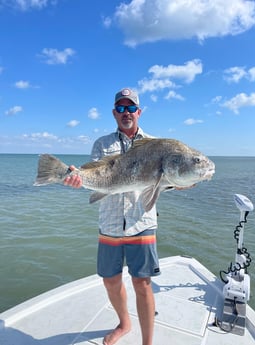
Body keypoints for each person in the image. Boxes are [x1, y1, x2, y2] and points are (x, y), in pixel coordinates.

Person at [64, 88, 160, 345]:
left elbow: (167, 181)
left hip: (142, 221)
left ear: (139, 112)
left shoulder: (155, 145)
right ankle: (124, 323)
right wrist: (78, 178)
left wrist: (185, 180)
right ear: (114, 113)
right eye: (121, 108)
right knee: (110, 280)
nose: (126, 113)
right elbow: (95, 176)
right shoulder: (102, 144)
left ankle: (147, 343)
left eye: (131, 108)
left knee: (142, 283)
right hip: (110, 222)